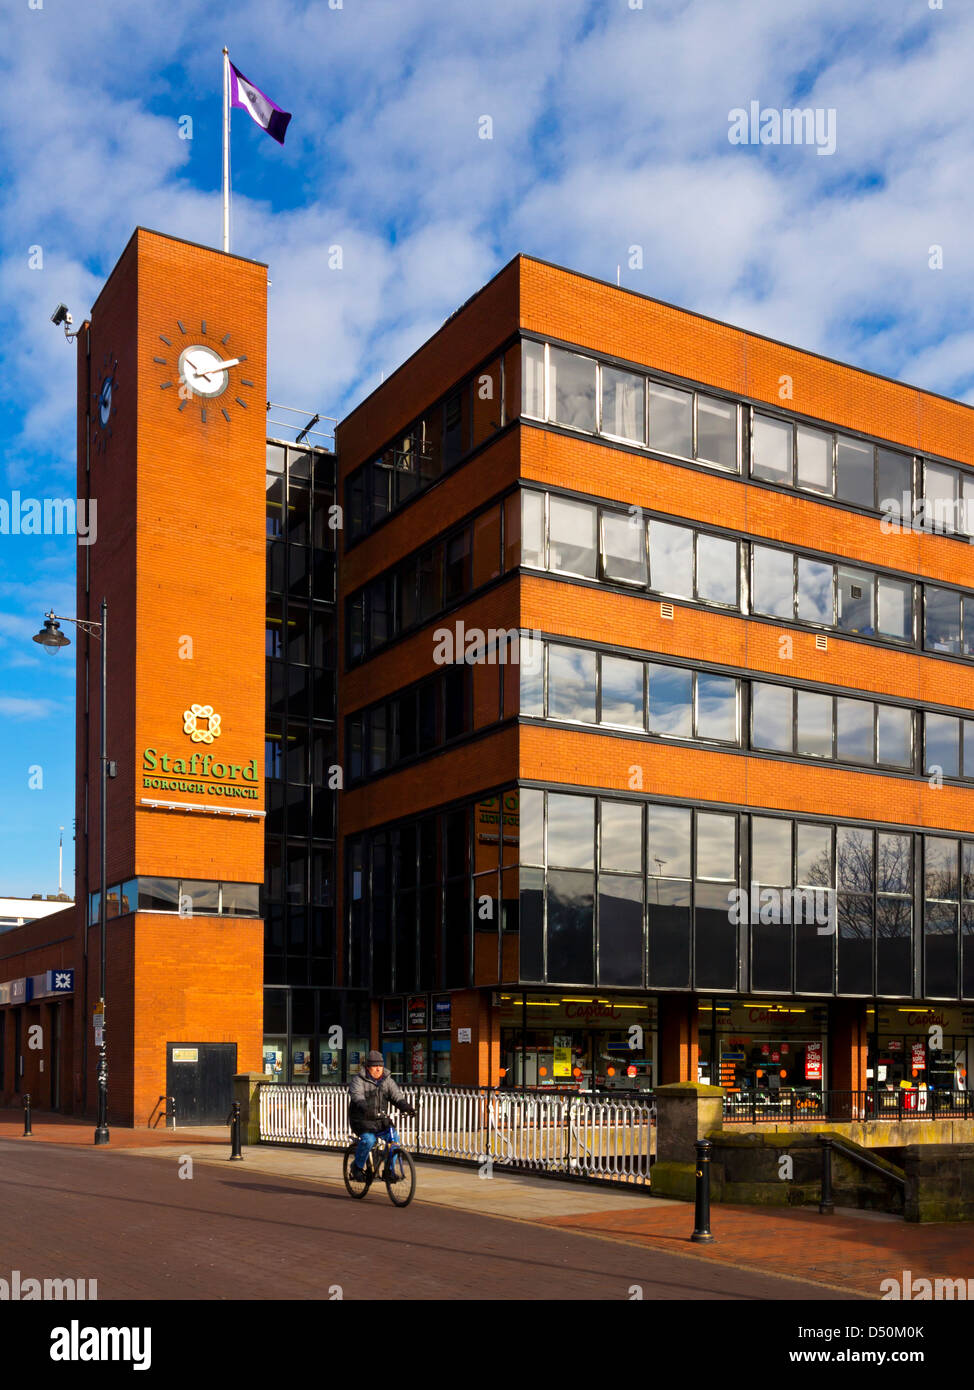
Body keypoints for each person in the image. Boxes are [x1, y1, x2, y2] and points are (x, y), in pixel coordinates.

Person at [348, 1050, 416, 1180]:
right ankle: (357, 1167)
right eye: (375, 1066)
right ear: (368, 1067)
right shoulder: (358, 1080)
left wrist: (406, 1107)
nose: (378, 1068)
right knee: (369, 1140)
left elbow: (396, 1096)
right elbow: (357, 1096)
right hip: (361, 1120)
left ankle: (388, 1171)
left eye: (380, 1065)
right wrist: (364, 1106)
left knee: (394, 1138)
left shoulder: (387, 1080)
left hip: (379, 1119)